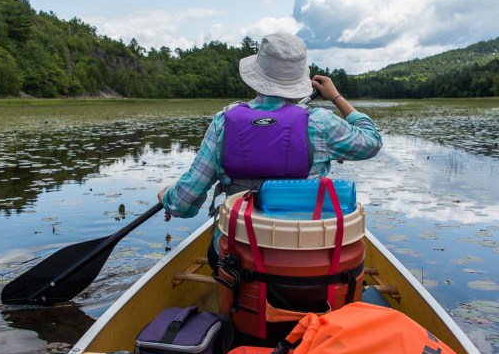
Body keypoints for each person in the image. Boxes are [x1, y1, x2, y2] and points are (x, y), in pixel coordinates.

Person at [157, 32, 382, 219]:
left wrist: (169, 197)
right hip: (310, 255)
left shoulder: (223, 123)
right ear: (300, 79)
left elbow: (182, 204)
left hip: (238, 260)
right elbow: (371, 142)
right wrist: (337, 98)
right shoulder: (321, 122)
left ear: (257, 75)